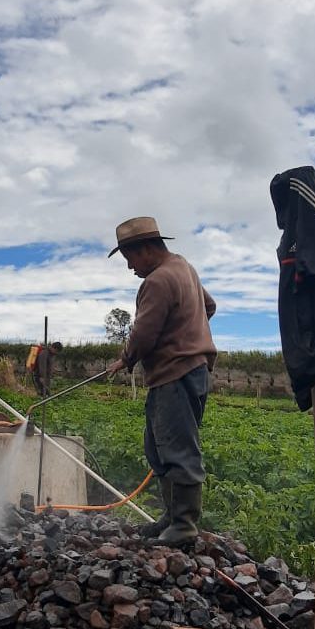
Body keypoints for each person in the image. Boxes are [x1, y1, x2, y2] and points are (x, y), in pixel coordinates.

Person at [106, 217, 217, 546]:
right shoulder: (184, 268)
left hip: (174, 374)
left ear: (146, 249)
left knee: (176, 447)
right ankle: (172, 516)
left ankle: (183, 525)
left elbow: (144, 333)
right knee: (158, 446)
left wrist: (126, 358)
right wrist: (186, 330)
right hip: (192, 371)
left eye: (130, 259)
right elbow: (208, 306)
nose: (130, 268)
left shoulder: (158, 280)